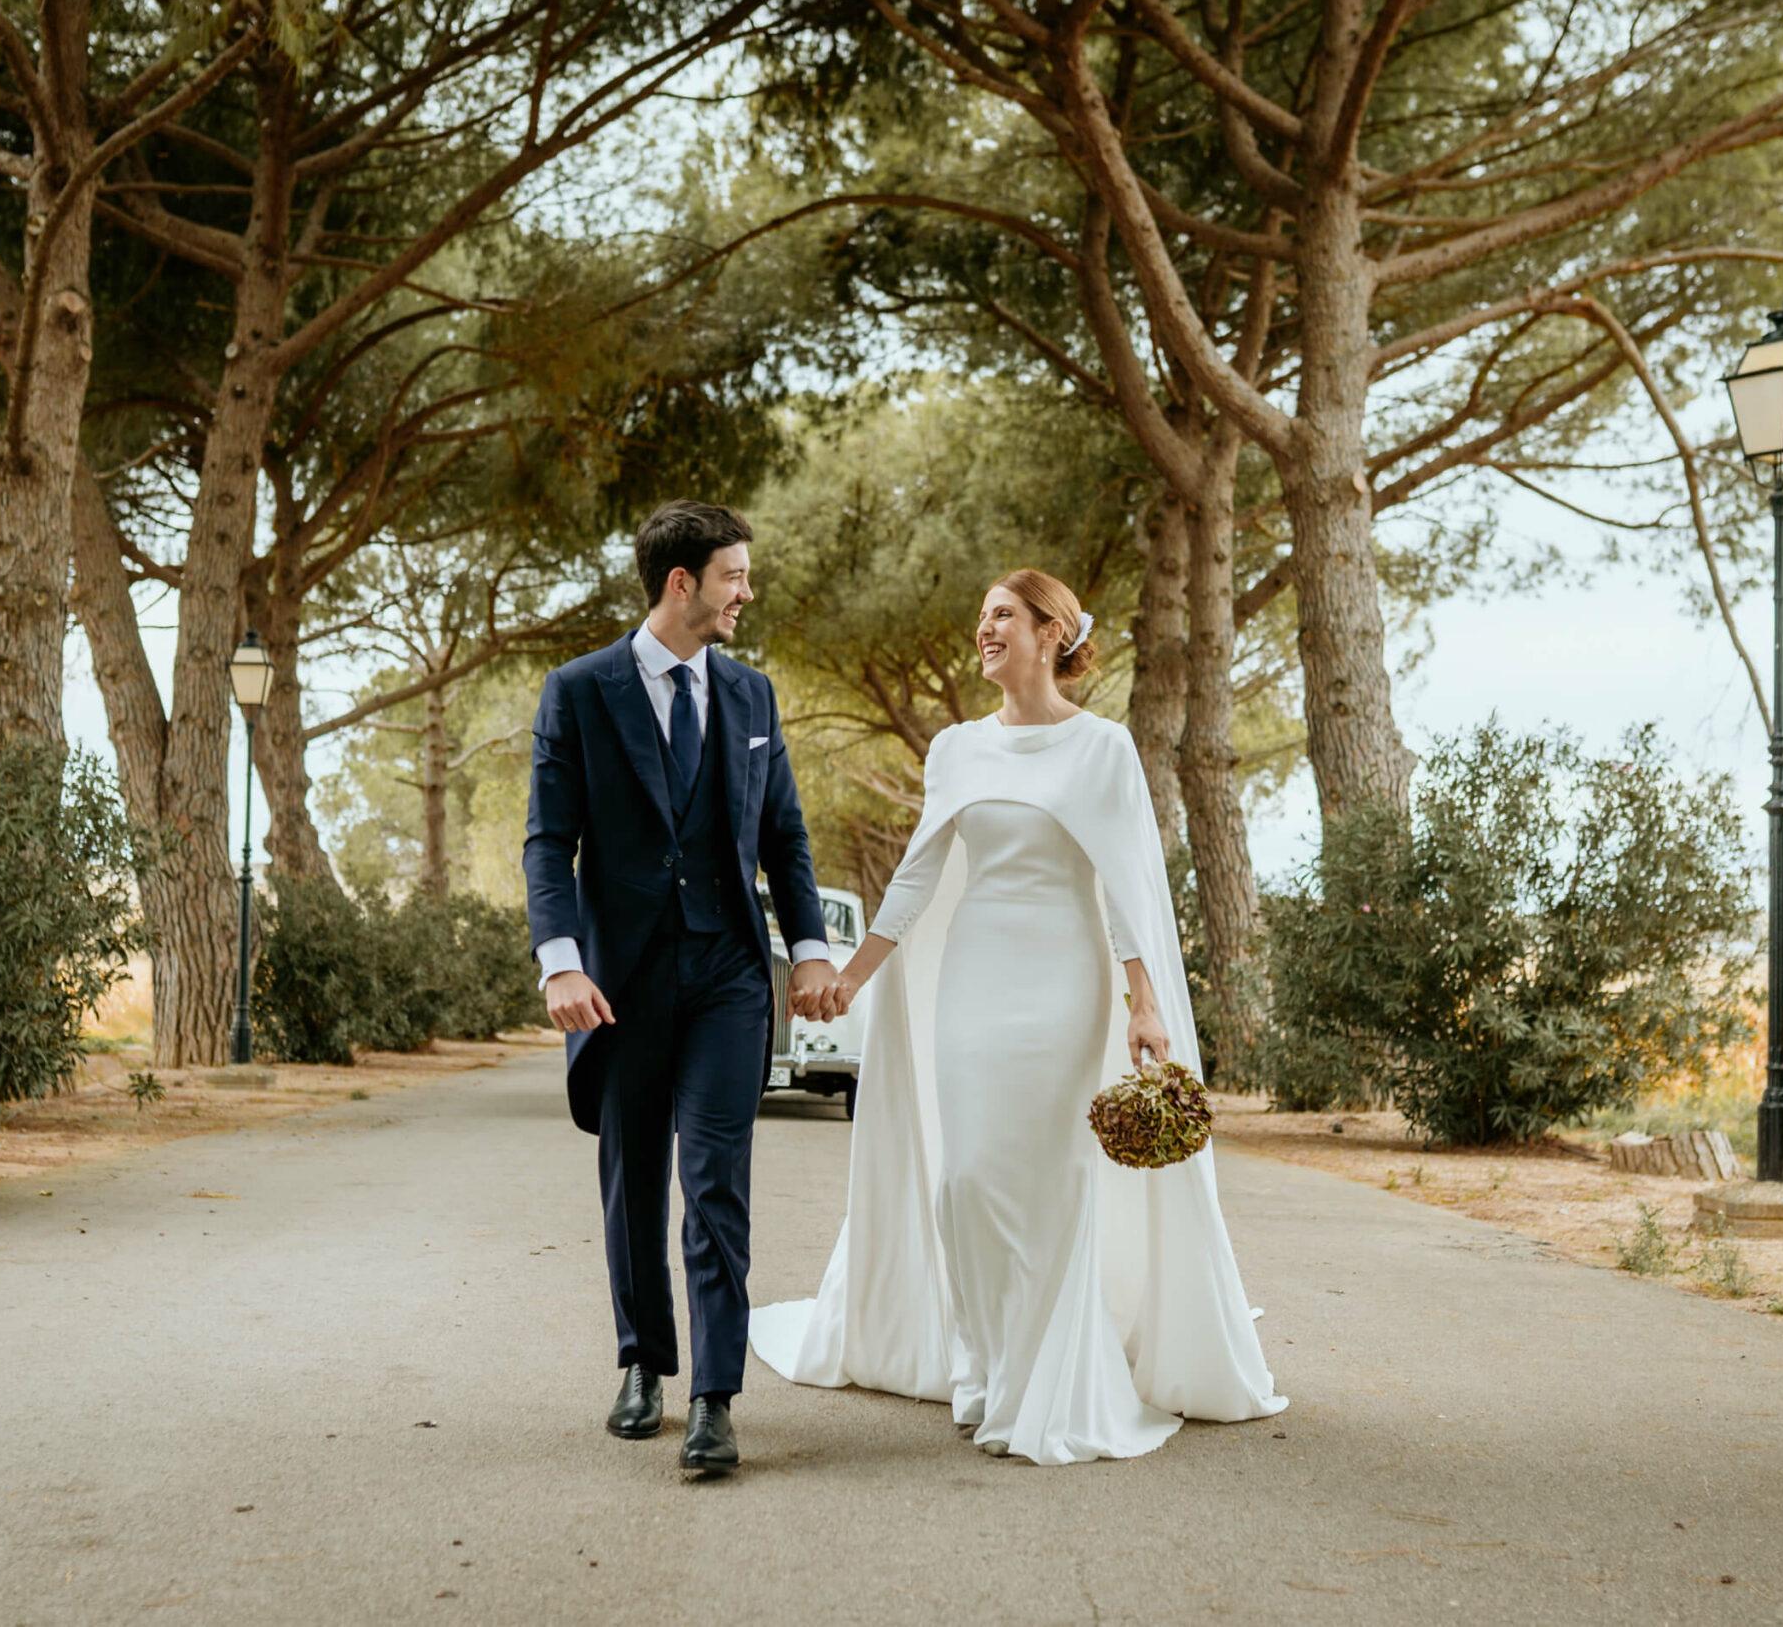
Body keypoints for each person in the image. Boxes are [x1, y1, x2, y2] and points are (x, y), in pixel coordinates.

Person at [748, 569, 1285, 1464]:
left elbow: (1122, 883)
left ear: (1051, 633)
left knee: (1052, 1181)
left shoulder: (1103, 748)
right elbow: (917, 875)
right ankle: (986, 1364)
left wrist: (1143, 1000)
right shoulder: (956, 747)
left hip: (1064, 982)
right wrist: (852, 975)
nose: (984, 628)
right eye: (982, 615)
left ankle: (1047, 1377)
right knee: (965, 1181)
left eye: (1003, 614)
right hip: (975, 978)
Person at [522, 500, 839, 1479]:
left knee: (714, 1180)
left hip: (730, 974)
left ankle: (713, 1394)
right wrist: (560, 958)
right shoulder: (578, 691)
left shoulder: (753, 696)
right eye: (735, 574)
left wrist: (813, 947)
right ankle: (641, 1364)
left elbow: (781, 837)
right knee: (632, 1180)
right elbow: (546, 840)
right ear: (682, 583)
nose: (747, 591)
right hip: (619, 979)